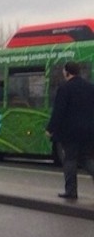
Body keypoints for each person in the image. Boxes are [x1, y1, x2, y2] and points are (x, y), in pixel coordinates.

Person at [45, 62, 94, 200]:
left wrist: (50, 128)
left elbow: (59, 111)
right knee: (86, 159)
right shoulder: (90, 87)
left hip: (70, 132)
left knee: (70, 160)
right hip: (89, 131)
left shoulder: (65, 88)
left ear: (67, 72)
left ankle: (71, 191)